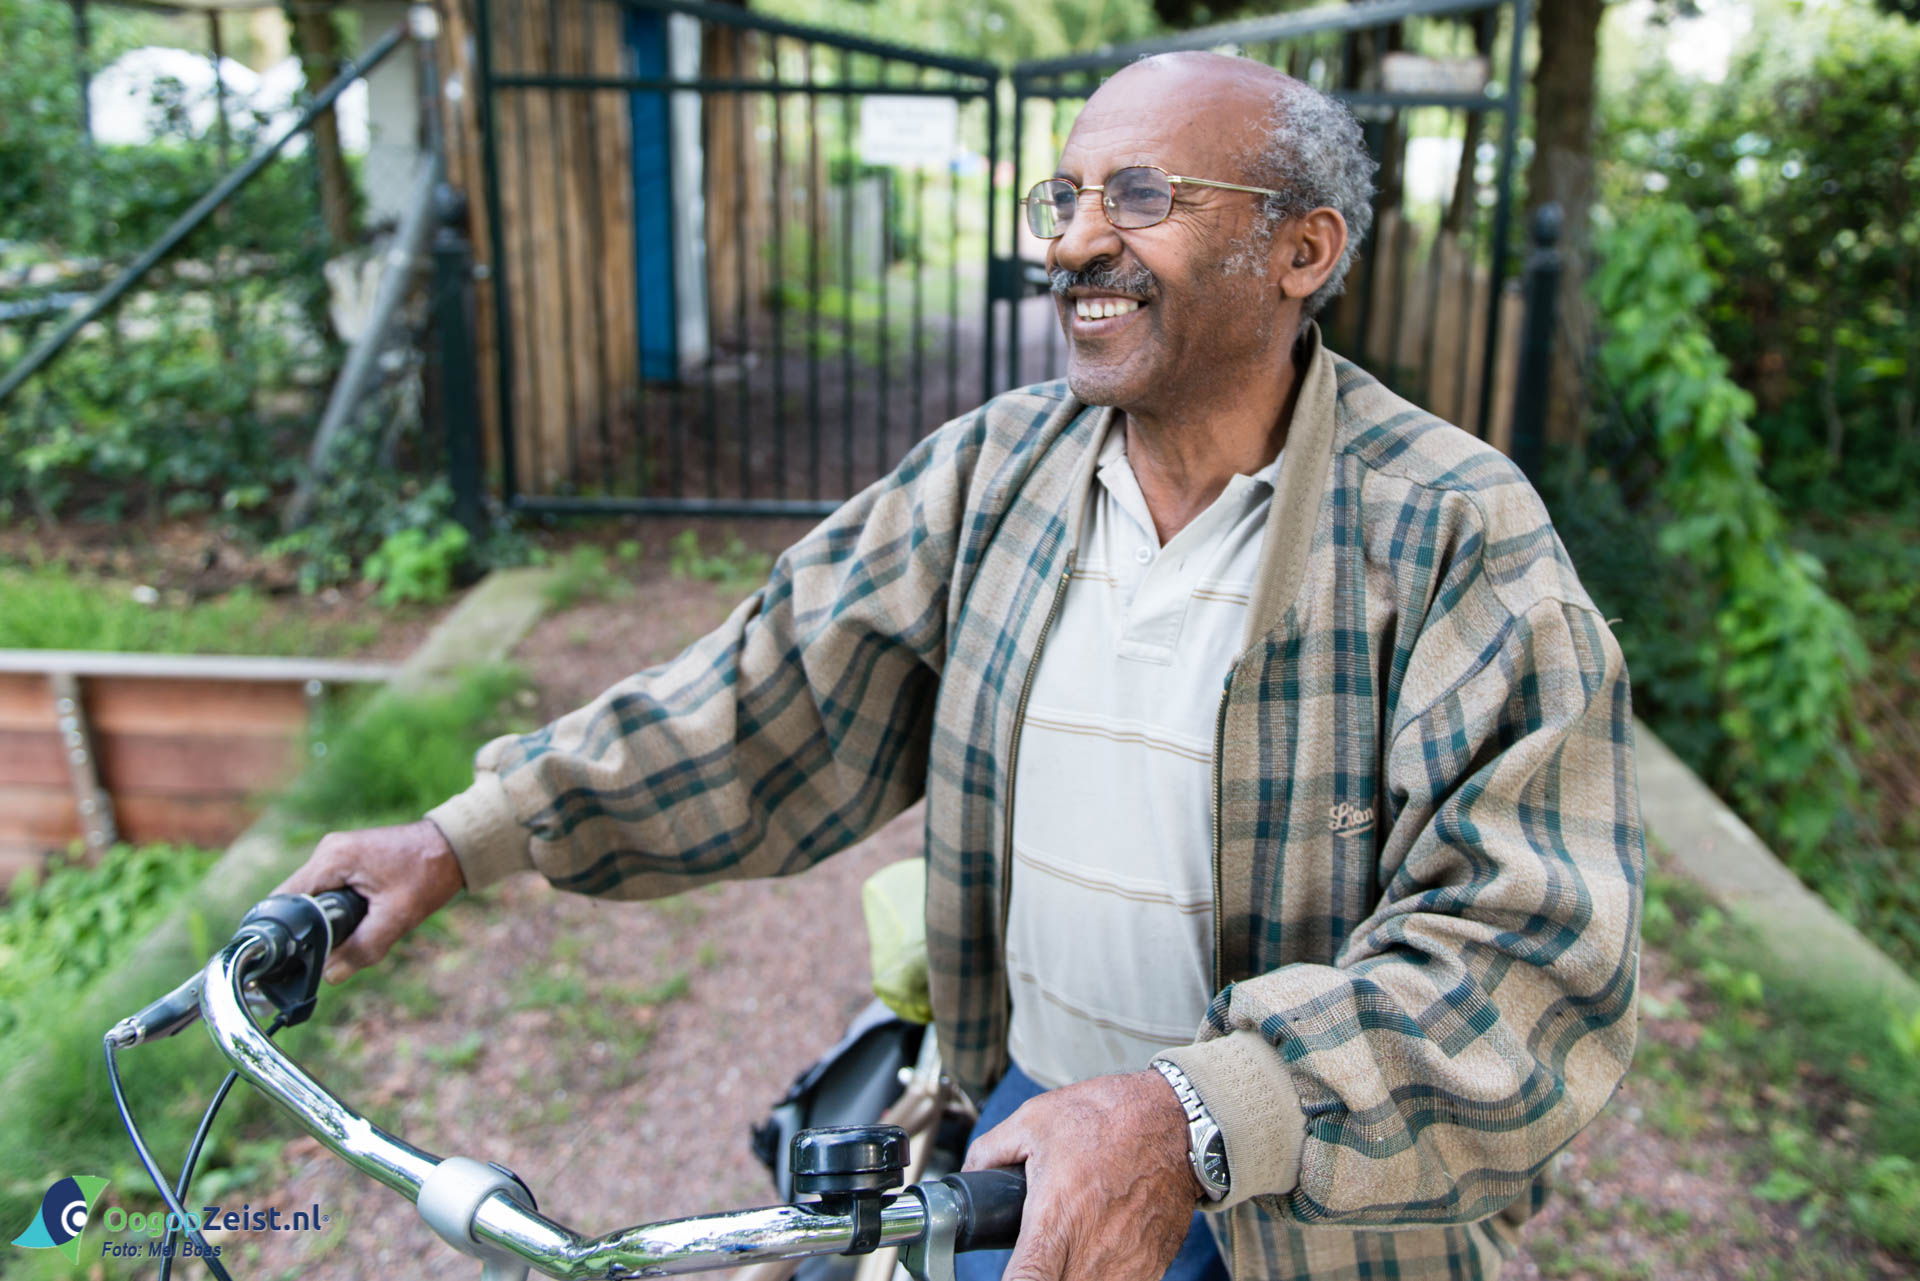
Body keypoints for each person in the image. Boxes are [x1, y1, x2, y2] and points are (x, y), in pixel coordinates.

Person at [280, 51, 1643, 1281]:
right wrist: (461, 837)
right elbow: (766, 701)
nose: (1079, 242)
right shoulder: (995, 471)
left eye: (1143, 194)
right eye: (1064, 198)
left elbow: (1525, 956)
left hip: (1311, 1219)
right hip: (1021, 1135)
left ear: (1302, 248)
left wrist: (1194, 1113)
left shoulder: (1456, 534)